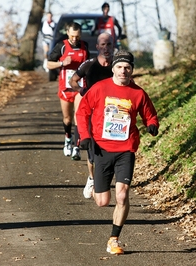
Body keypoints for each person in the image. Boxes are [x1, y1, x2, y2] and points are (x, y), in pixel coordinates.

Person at [76, 50, 159, 255]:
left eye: (127, 67)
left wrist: (152, 124)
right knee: (102, 201)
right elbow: (82, 111)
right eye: (120, 67)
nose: (124, 71)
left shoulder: (138, 93)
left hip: (126, 150)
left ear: (132, 70)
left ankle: (114, 239)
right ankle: (94, 180)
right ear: (113, 68)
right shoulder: (99, 88)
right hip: (102, 149)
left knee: (122, 195)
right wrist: (85, 136)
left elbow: (150, 113)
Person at [69, 32, 115, 199]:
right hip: (91, 113)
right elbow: (72, 81)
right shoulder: (88, 65)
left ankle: (105, 178)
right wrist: (82, 92)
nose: (106, 48)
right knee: (92, 151)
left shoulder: (118, 66)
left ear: (113, 45)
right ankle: (91, 177)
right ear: (97, 47)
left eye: (109, 44)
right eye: (102, 45)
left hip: (111, 113)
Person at [47, 22, 89, 159]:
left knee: (78, 115)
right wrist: (61, 63)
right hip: (65, 88)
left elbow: (88, 65)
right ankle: (67, 140)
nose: (75, 39)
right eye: (72, 36)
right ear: (67, 33)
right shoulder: (61, 45)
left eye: (77, 36)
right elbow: (48, 64)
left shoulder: (84, 46)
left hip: (79, 87)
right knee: (67, 118)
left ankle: (76, 146)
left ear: (80, 34)